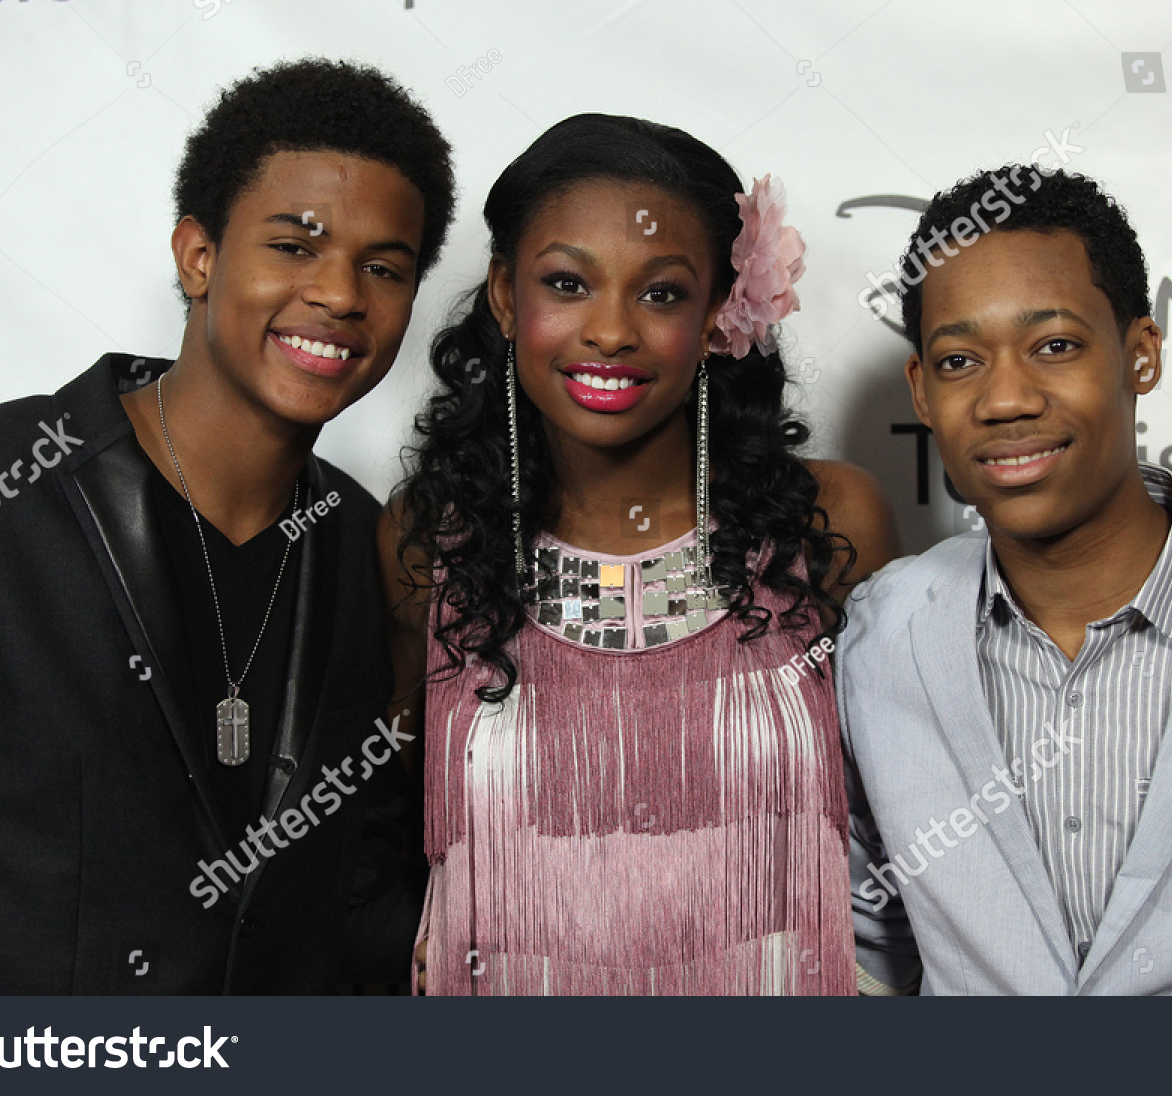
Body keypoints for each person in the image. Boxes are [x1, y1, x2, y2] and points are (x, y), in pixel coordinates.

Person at [0, 58, 454, 993]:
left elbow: (363, 892)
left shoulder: (375, 551)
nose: (341, 295)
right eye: (294, 246)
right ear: (198, 255)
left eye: (382, 268)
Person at [380, 113, 897, 995]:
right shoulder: (430, 537)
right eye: (568, 283)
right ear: (507, 298)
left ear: (718, 313)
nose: (611, 331)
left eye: (660, 293)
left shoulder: (828, 521)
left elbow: (904, 838)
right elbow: (387, 819)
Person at [841, 166, 1172, 995]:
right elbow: (865, 955)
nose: (1007, 399)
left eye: (1054, 346)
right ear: (921, 390)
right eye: (960, 360)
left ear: (1141, 355)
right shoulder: (880, 636)